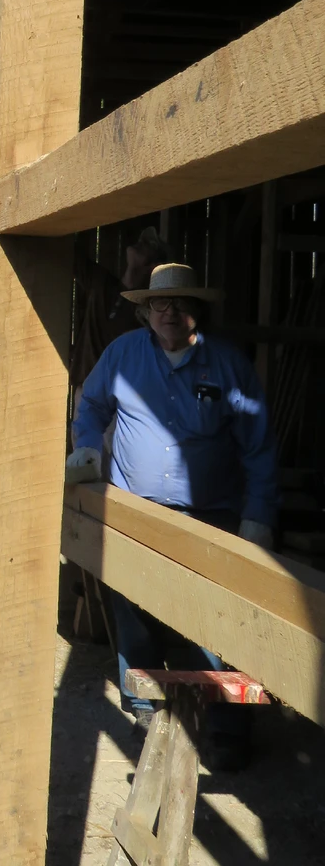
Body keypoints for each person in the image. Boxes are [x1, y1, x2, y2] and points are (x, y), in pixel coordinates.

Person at [66, 263, 278, 757]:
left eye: (180, 303)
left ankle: (227, 725)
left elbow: (260, 446)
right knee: (134, 612)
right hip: (134, 511)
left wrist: (259, 515)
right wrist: (88, 448)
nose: (170, 312)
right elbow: (92, 404)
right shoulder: (123, 354)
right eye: (159, 303)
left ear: (197, 310)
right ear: (144, 310)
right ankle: (145, 710)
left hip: (211, 515)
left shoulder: (228, 364)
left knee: (220, 622)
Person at [70, 225, 170, 390]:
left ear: (152, 266)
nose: (140, 242)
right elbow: (69, 254)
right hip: (85, 391)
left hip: (117, 399)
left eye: (149, 244)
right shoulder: (101, 282)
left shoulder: (148, 312)